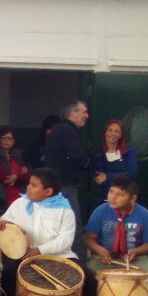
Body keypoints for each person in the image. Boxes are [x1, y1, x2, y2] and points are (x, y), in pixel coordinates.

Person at [0, 168, 101, 296]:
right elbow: (6, 218)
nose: (28, 188)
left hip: (59, 255)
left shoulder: (64, 210)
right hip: (23, 253)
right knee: (7, 273)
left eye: (34, 185)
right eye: (29, 183)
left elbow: (65, 241)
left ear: (48, 191)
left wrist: (40, 250)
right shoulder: (20, 203)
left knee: (89, 279)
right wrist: (3, 222)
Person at [84, 174, 148, 293]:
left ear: (133, 198)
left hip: (135, 259)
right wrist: (99, 249)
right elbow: (89, 239)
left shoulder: (144, 215)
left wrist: (137, 251)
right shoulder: (100, 211)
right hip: (104, 259)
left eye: (120, 195)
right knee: (88, 277)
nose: (113, 198)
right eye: (111, 192)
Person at [43, 100, 91, 261]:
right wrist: (88, 163)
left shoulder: (59, 130)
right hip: (66, 189)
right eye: (84, 112)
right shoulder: (67, 131)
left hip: (57, 188)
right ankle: (81, 270)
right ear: (73, 113)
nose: (86, 116)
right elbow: (77, 156)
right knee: (75, 229)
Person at [91, 119, 137, 193]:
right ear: (105, 133)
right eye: (110, 130)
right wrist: (121, 176)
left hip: (125, 193)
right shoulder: (98, 155)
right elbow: (100, 179)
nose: (112, 134)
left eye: (116, 131)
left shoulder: (129, 152)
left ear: (121, 135)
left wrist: (107, 176)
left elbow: (131, 174)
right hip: (104, 195)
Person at [0, 126, 31, 205]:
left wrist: (17, 177)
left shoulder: (18, 157)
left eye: (10, 138)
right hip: (4, 196)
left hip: (20, 196)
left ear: (14, 141)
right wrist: (19, 174)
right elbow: (3, 176)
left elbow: (28, 175)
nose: (7, 141)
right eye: (4, 138)